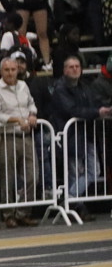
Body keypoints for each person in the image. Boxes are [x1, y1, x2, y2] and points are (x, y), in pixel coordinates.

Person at [50, 54, 111, 219]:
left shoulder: (85, 86)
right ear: (64, 70)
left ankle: (69, 199)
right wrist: (97, 112)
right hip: (71, 137)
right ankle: (75, 205)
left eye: (77, 66)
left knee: (94, 171)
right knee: (75, 173)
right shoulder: (60, 89)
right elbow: (72, 110)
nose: (75, 69)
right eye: (71, 67)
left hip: (87, 134)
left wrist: (103, 109)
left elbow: (93, 105)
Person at [0, 57, 42, 227]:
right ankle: (8, 214)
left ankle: (23, 212)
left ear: (18, 70)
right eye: (7, 70)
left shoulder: (24, 86)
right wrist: (16, 120)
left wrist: (32, 115)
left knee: (33, 176)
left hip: (26, 136)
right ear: (0, 71)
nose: (10, 73)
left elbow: (31, 103)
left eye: (13, 69)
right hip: (8, 136)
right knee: (7, 178)